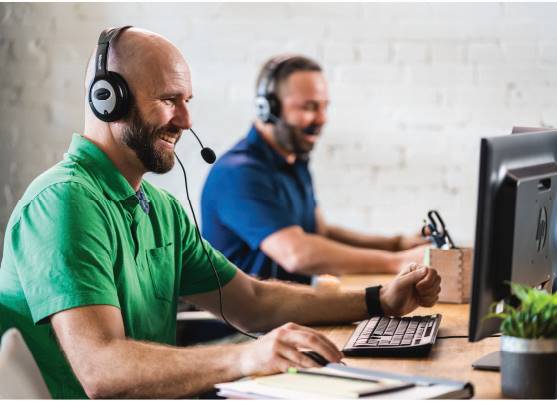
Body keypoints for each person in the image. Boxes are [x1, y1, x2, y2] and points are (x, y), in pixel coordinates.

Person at [0, 27, 441, 399]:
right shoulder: (63, 203)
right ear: (107, 99)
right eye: (169, 100)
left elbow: (251, 301)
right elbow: (101, 369)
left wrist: (376, 300)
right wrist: (248, 356)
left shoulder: (160, 209)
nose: (187, 119)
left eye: (187, 99)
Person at [201, 55, 428, 285]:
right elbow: (296, 254)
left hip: (290, 311)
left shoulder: (294, 160)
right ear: (268, 108)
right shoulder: (238, 174)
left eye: (324, 106)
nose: (322, 118)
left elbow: (319, 232)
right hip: (247, 320)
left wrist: (397, 244)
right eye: (309, 107)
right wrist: (397, 261)